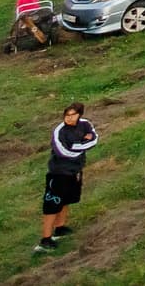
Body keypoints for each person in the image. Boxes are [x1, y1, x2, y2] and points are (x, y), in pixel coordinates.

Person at [38, 102, 99, 252]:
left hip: (75, 171)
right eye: (67, 115)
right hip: (58, 173)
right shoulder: (59, 131)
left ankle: (60, 228)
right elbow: (64, 151)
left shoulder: (85, 124)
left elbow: (95, 139)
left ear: (79, 115)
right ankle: (45, 239)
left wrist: (78, 144)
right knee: (52, 204)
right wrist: (83, 143)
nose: (69, 118)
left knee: (67, 200)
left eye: (73, 115)